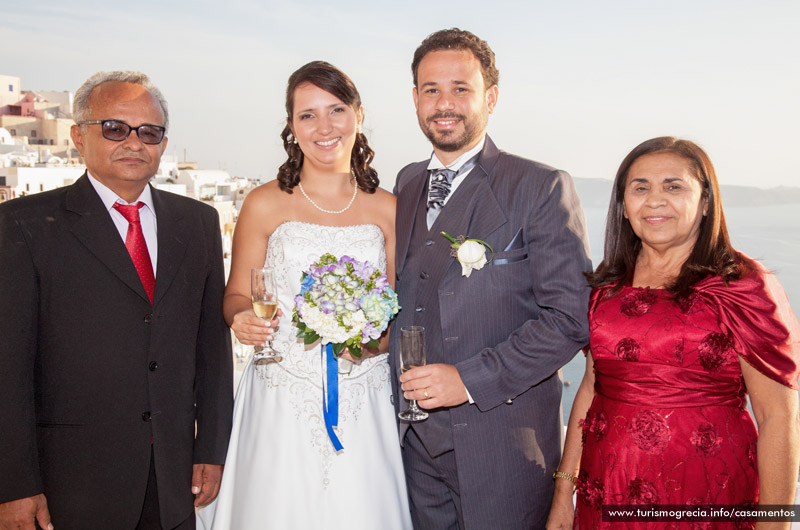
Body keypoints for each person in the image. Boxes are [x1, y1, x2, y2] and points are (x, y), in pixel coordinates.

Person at [0, 71, 233, 530]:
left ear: (163, 144)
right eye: (114, 128)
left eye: (149, 132)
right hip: (68, 486)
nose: (134, 142)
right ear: (77, 136)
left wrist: (210, 450)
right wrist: (13, 486)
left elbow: (211, 349)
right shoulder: (23, 224)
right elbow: (7, 368)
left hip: (173, 481)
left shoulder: (198, 223)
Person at [196, 61, 411, 530]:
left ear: (358, 115)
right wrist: (241, 320)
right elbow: (236, 295)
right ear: (291, 127)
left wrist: (372, 343)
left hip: (363, 394)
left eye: (336, 110)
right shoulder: (264, 202)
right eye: (307, 115)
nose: (324, 127)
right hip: (280, 392)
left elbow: (399, 309)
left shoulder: (390, 207)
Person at [392, 28, 593, 529]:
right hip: (411, 449)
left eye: (461, 88)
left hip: (501, 449)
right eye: (431, 89)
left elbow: (570, 320)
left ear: (491, 97)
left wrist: (469, 379)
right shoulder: (405, 182)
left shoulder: (541, 186)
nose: (445, 103)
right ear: (415, 99)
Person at [546, 137, 800, 530]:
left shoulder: (743, 286)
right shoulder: (607, 289)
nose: (655, 200)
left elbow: (777, 418)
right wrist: (564, 494)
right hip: (606, 491)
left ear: (705, 203)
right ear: (624, 207)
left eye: (673, 186)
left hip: (707, 494)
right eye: (640, 187)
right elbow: (591, 389)